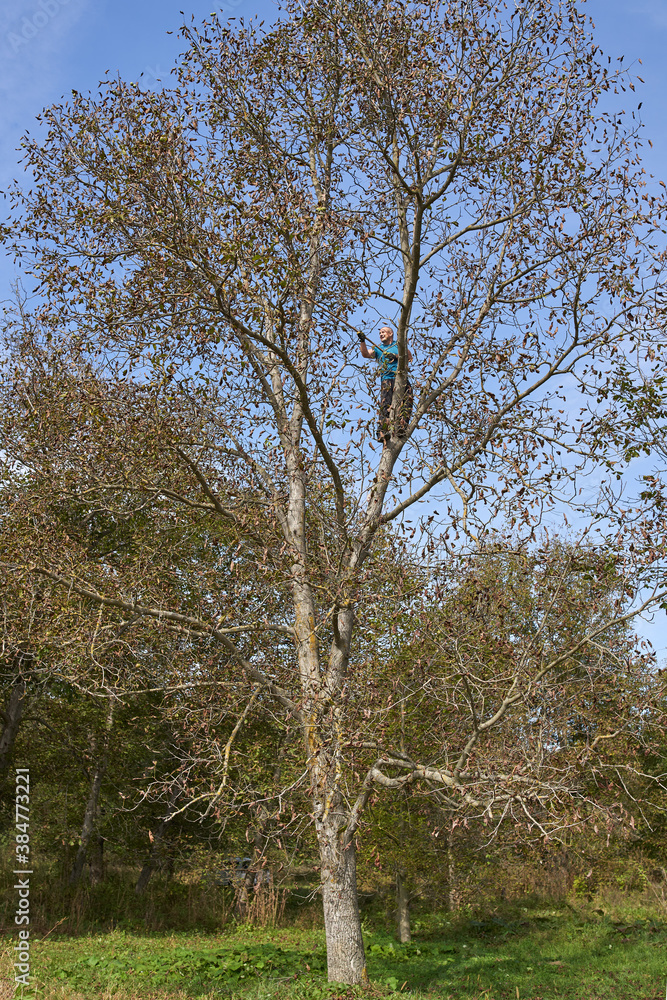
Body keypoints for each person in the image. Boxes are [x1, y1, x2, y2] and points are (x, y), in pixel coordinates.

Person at [358, 326, 413, 442]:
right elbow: (365, 354)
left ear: (390, 333)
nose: (381, 334)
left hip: (400, 377)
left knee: (407, 401)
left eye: (383, 332)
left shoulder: (398, 346)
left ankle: (401, 427)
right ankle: (383, 432)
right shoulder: (378, 349)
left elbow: (409, 357)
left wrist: (396, 356)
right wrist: (362, 341)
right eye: (380, 333)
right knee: (386, 405)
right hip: (387, 379)